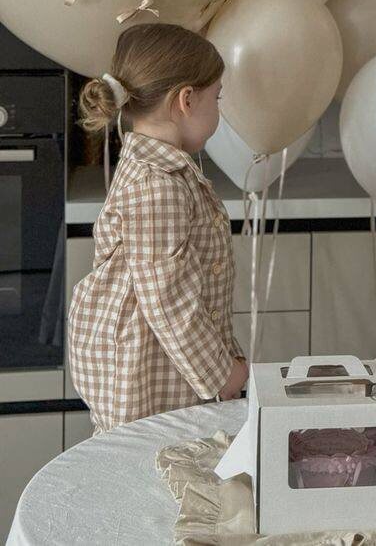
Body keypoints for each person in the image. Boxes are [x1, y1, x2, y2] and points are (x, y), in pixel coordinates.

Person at [69, 23, 247, 432]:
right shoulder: (157, 185)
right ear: (186, 100)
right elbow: (169, 300)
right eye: (216, 98)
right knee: (149, 462)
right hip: (145, 376)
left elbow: (188, 287)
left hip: (167, 365)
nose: (218, 110)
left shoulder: (163, 173)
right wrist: (222, 374)